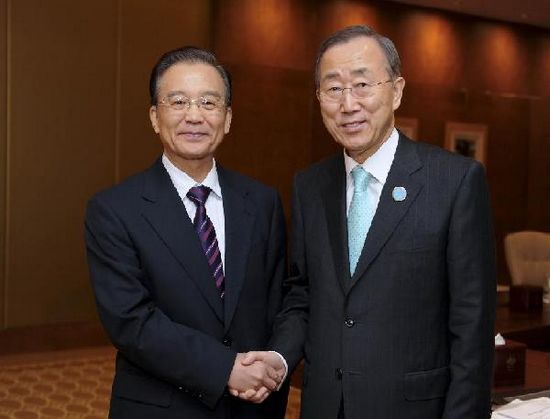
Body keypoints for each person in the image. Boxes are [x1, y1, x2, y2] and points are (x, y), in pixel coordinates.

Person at [243, 25, 496, 418]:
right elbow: (304, 294)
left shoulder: (454, 182)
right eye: (333, 89)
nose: (348, 104)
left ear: (396, 90)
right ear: (318, 98)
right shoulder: (310, 185)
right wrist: (279, 357)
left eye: (362, 84)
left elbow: (472, 326)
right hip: (327, 405)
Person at [85, 46, 287, 419]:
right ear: (154, 117)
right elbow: (132, 322)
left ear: (227, 118)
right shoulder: (114, 210)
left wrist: (273, 364)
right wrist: (226, 368)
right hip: (162, 407)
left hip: (253, 407)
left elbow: (279, 302)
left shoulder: (262, 203)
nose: (194, 116)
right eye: (178, 101)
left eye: (209, 103)